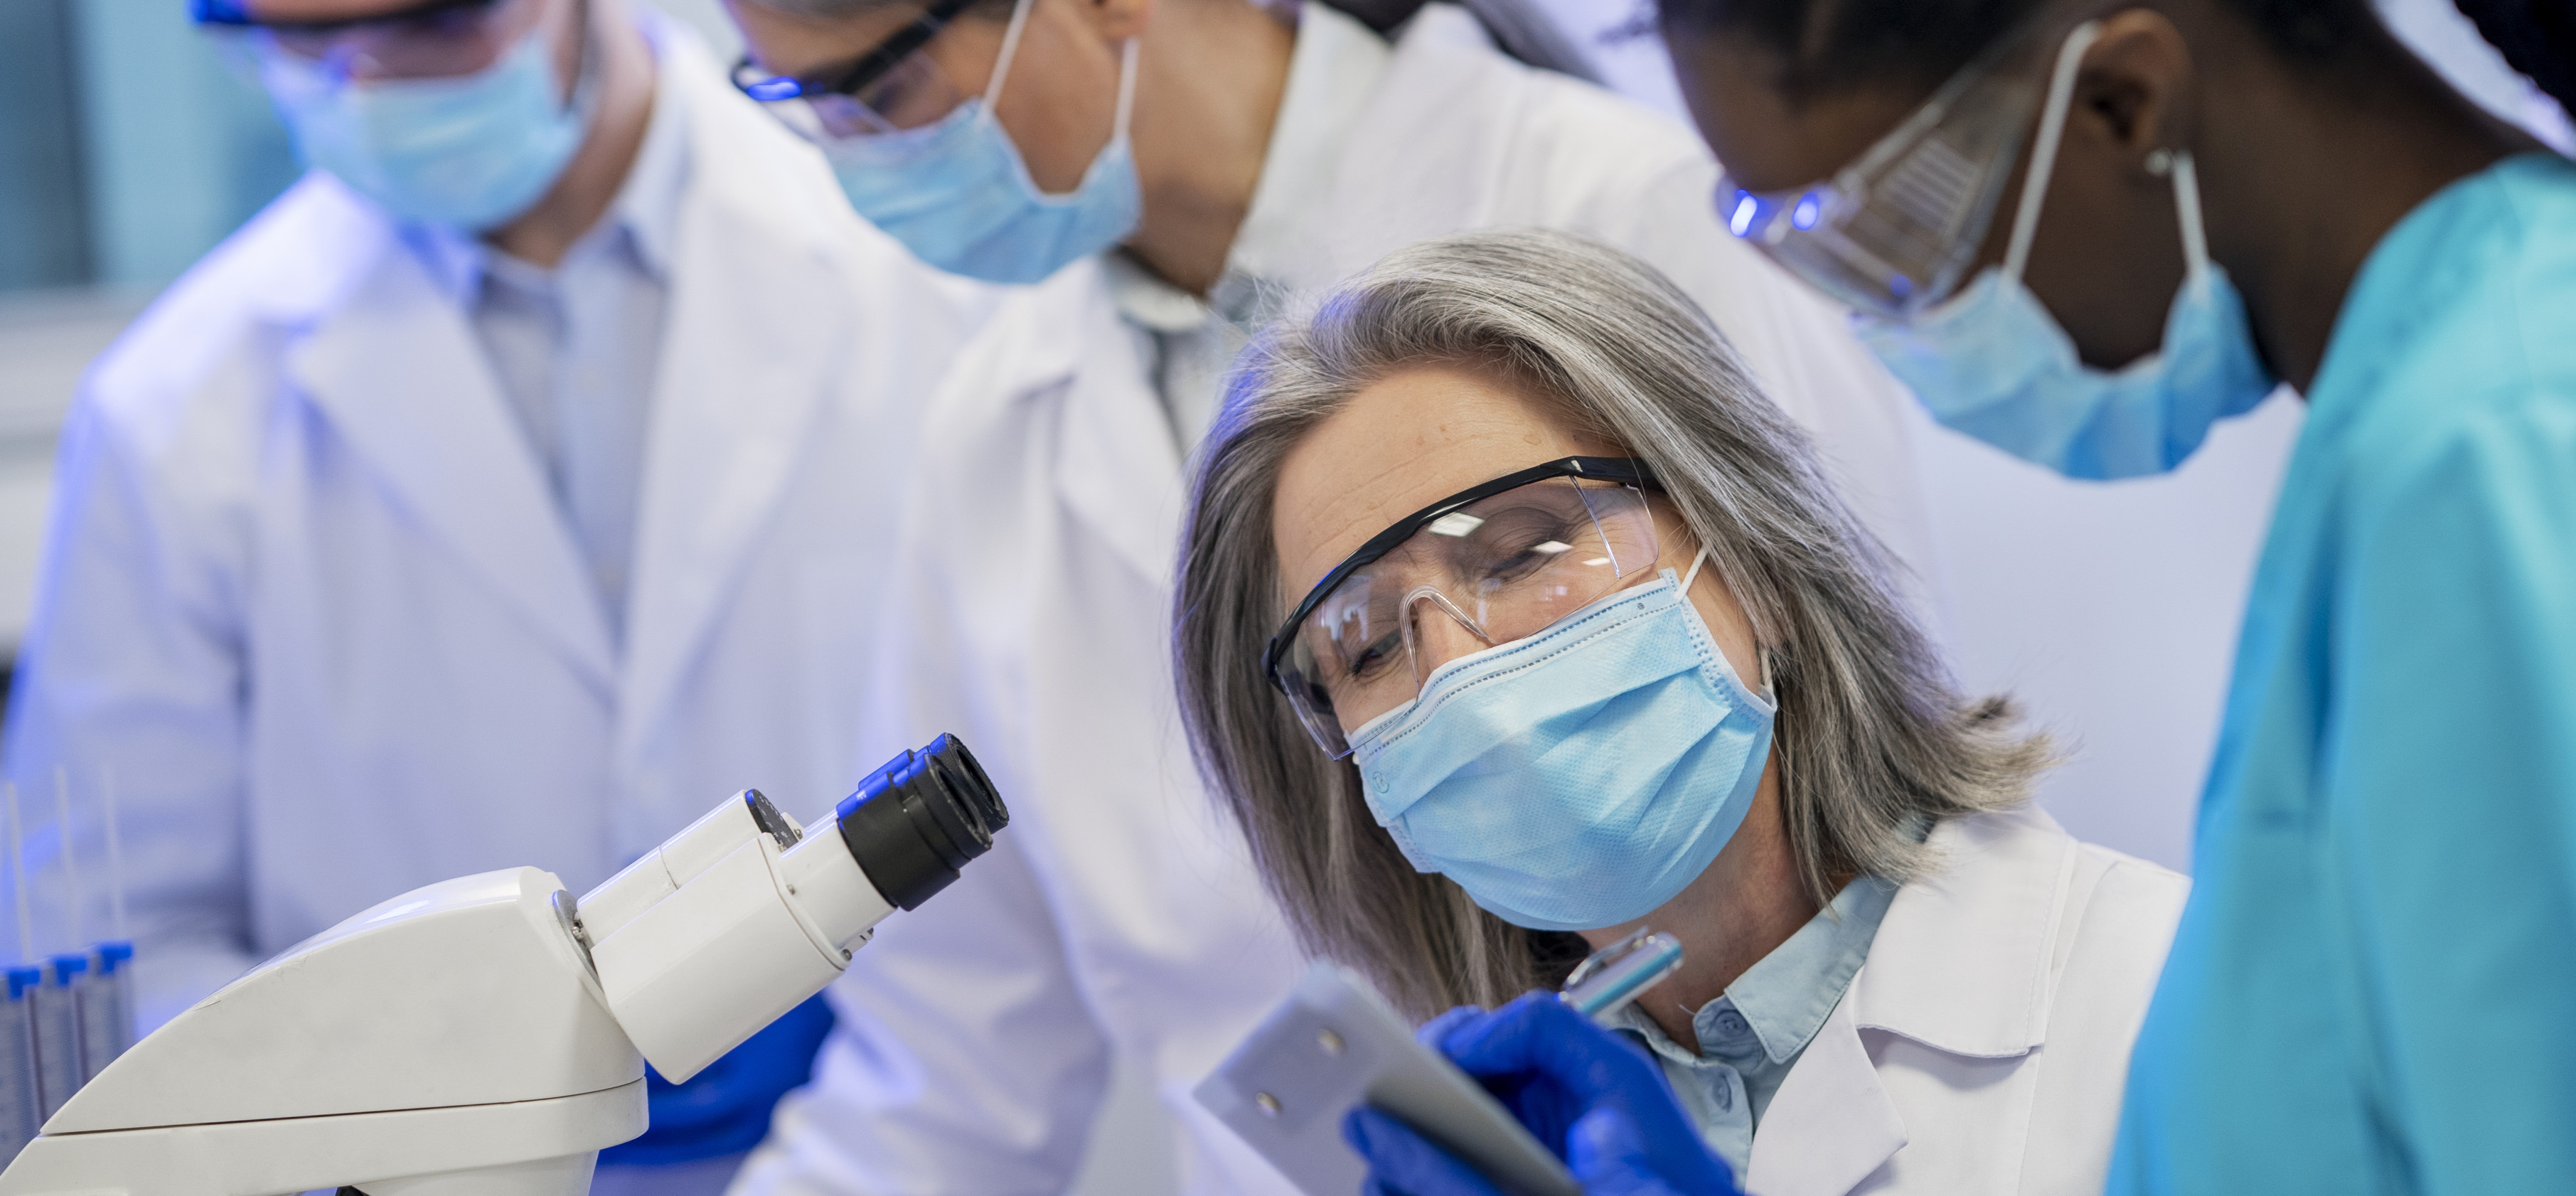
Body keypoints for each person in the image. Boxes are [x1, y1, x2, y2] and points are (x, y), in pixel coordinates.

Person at [1362, 1, 2576, 1193]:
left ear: (2123, 99)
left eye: (1868, 238)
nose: (1884, 326)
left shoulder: (2524, 456)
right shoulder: (2439, 414)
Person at [709, 0, 1945, 1191]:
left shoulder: (1611, 202)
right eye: (802, 105)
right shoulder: (993, 433)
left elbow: (1881, 754)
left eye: (881, 88)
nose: (855, 160)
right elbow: (952, 1072)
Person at [1, 0, 997, 1187]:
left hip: (907, 1128)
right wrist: (415, 1105)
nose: (368, 85)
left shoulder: (938, 274)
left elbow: (1044, 876)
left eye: (427, 28)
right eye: (303, 45)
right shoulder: (175, 413)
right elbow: (110, 952)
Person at [1172, 227, 2191, 1195]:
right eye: (1370, 645)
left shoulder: (2166, 999)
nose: (1451, 672)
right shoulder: (1481, 1145)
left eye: (1522, 548)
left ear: (1757, 555)